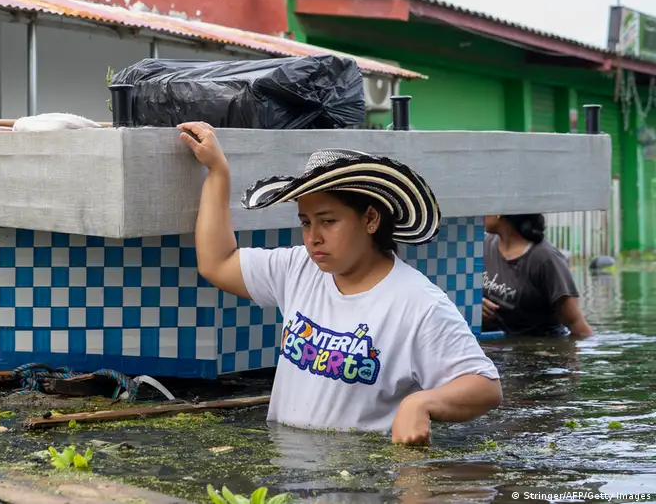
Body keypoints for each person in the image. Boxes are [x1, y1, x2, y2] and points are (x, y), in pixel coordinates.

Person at [178, 121, 502, 445]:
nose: (313, 238)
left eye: (328, 221)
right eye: (306, 223)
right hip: (289, 476)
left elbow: (485, 385)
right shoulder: (298, 269)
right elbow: (216, 263)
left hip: (363, 482)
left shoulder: (418, 304)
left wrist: (421, 402)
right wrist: (218, 172)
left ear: (371, 219)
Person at [482, 214, 593, 338]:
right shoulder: (483, 246)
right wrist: (475, 304)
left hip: (539, 350)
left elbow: (576, 324)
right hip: (495, 348)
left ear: (499, 214)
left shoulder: (545, 259)